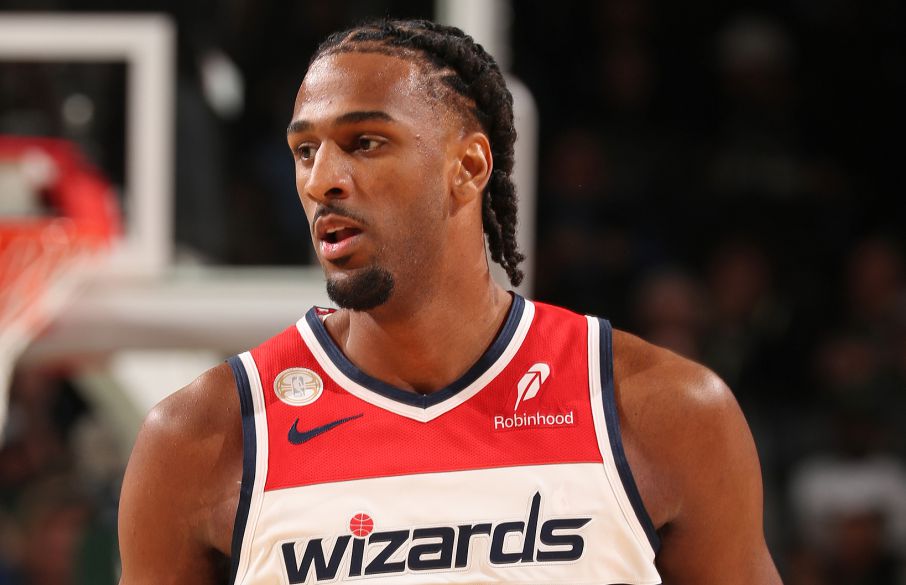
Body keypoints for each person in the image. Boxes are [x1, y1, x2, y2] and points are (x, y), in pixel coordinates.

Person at [117, 18, 782, 585]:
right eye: (305, 150)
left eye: (365, 142)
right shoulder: (202, 438)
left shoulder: (666, 412)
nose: (322, 180)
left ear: (469, 167)